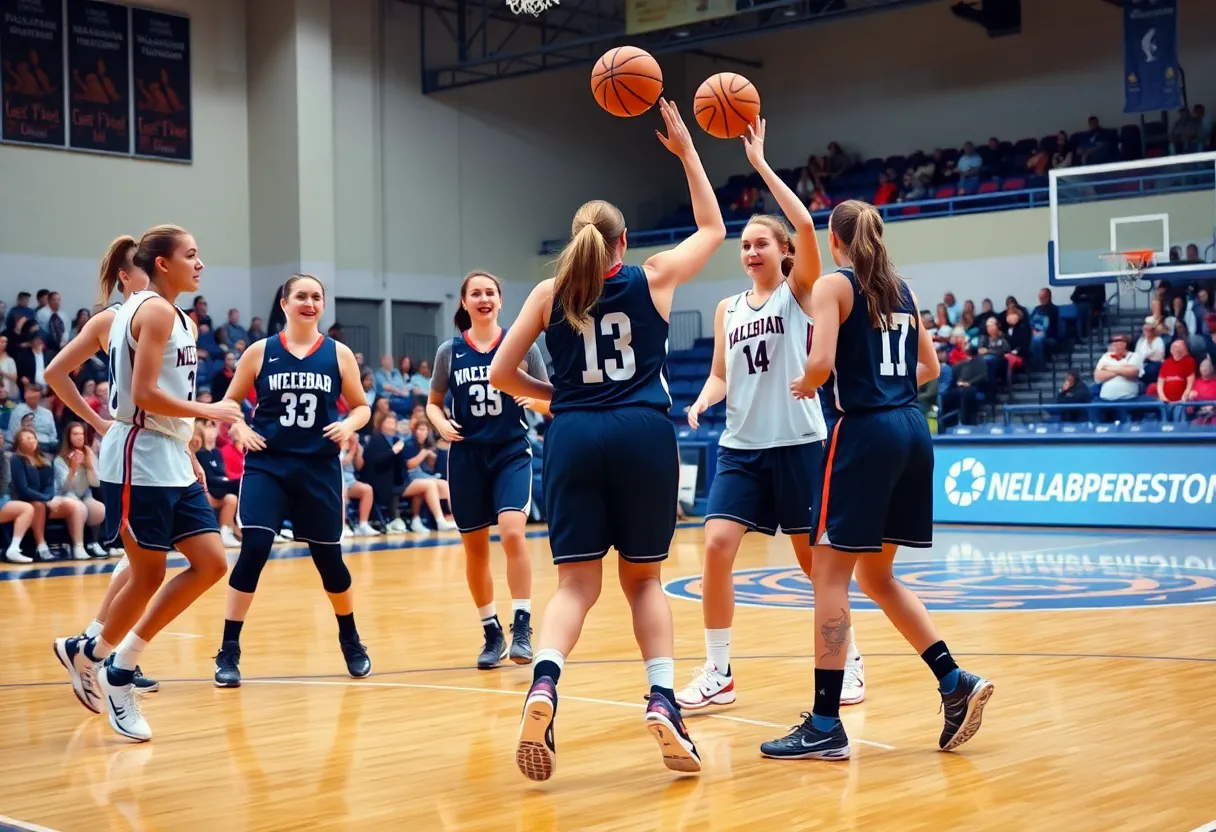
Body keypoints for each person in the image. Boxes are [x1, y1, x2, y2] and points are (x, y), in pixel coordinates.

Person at [489, 98, 724, 781]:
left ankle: (544, 685)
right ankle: (660, 697)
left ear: (577, 240)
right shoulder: (652, 278)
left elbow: (503, 374)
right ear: (622, 242)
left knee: (575, 586)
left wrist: (553, 399)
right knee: (643, 580)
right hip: (642, 432)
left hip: (575, 434)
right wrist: (685, 151)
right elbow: (713, 226)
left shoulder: (546, 291)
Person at [771, 200, 994, 761]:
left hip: (865, 434)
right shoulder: (904, 290)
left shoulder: (832, 286)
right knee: (877, 575)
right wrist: (882, 382)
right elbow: (932, 369)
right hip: (912, 430)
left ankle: (825, 723)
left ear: (835, 239)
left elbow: (821, 363)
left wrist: (807, 384)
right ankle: (954, 681)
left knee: (828, 573)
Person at [677, 119, 865, 711]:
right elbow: (720, 373)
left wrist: (759, 164)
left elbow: (807, 222)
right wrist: (705, 398)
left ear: (784, 253)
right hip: (740, 447)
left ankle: (850, 659)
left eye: (761, 243)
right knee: (715, 547)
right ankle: (718, 670)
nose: (750, 250)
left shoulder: (802, 293)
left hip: (800, 443)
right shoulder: (726, 308)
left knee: (818, 569)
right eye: (745, 245)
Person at [53, 225, 242, 742]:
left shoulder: (180, 316)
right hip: (138, 455)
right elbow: (143, 393)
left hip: (168, 453)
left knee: (210, 563)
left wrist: (186, 444)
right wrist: (209, 412)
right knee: (146, 573)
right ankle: (100, 659)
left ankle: (110, 658)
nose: (200, 264)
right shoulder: (151, 310)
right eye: (192, 255)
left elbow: (160, 397)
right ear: (163, 264)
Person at [212, 274, 372, 687]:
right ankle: (229, 649)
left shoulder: (338, 355)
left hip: (318, 468)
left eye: (317, 296)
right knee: (255, 548)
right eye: (301, 295)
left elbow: (361, 406)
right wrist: (239, 429)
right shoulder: (259, 352)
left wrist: (349, 424)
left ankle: (350, 637)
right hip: (269, 464)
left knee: (329, 562)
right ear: (284, 303)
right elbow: (230, 401)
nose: (310, 302)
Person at [47, 237, 161, 694]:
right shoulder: (114, 318)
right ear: (125, 278)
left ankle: (101, 645)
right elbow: (55, 373)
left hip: (158, 447)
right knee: (144, 563)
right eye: (146, 275)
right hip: (134, 448)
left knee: (140, 561)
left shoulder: (155, 315)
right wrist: (98, 420)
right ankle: (96, 647)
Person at [426, 271, 550, 670]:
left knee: (513, 532)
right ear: (464, 303)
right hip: (466, 457)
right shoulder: (450, 351)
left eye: (490, 292)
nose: (483, 298)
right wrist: (439, 422)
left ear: (500, 301)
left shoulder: (521, 346)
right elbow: (433, 401)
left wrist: (534, 402)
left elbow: (551, 401)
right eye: (475, 293)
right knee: (474, 548)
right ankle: (491, 630)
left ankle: (523, 624)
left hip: (511, 452)